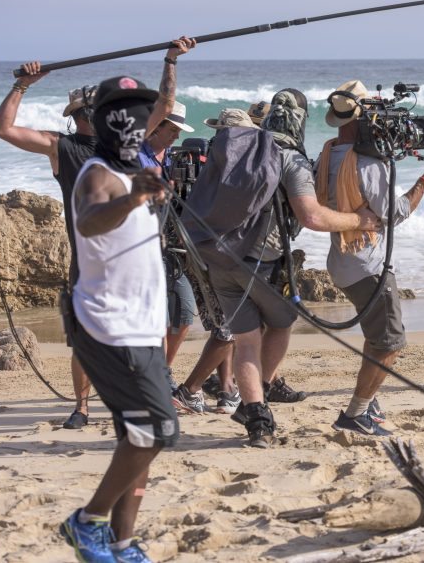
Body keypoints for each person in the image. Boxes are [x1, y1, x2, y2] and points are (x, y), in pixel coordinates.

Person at [0, 37, 192, 430]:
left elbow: (165, 107)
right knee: (87, 337)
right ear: (86, 112)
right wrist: (22, 85)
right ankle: (81, 407)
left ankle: (143, 395)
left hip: (136, 254)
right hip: (91, 256)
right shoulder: (60, 146)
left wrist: (171, 60)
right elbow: (2, 128)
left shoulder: (125, 144)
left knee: (145, 328)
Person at [201, 89, 381, 448]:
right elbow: (311, 217)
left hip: (216, 255)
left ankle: (255, 418)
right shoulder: (291, 159)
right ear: (302, 119)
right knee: (281, 323)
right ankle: (260, 397)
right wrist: (359, 220)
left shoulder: (241, 146)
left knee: (246, 340)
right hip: (261, 260)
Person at [59, 73, 180, 563]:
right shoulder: (97, 173)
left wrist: (149, 193)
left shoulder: (137, 170)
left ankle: (124, 543)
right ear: (104, 120)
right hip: (108, 325)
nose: (131, 121)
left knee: (138, 436)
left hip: (142, 326)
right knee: (158, 430)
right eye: (121, 111)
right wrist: (133, 198)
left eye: (139, 109)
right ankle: (88, 523)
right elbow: (88, 221)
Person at [317, 80, 424, 437]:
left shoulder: (329, 151)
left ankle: (368, 400)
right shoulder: (366, 161)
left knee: (376, 337)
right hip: (367, 265)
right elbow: (394, 213)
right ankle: (356, 413)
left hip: (342, 261)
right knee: (390, 343)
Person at [169, 108, 261, 415]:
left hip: (192, 254)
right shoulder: (237, 167)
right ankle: (189, 390)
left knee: (221, 325)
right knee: (230, 329)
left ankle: (227, 391)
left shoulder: (206, 163)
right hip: (220, 258)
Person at [138, 101, 198, 386]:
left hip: (172, 246)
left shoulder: (175, 159)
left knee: (185, 314)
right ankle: (159, 380)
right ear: (155, 127)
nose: (175, 136)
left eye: (178, 131)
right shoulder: (137, 156)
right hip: (144, 247)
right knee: (158, 321)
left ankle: (163, 372)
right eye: (171, 130)